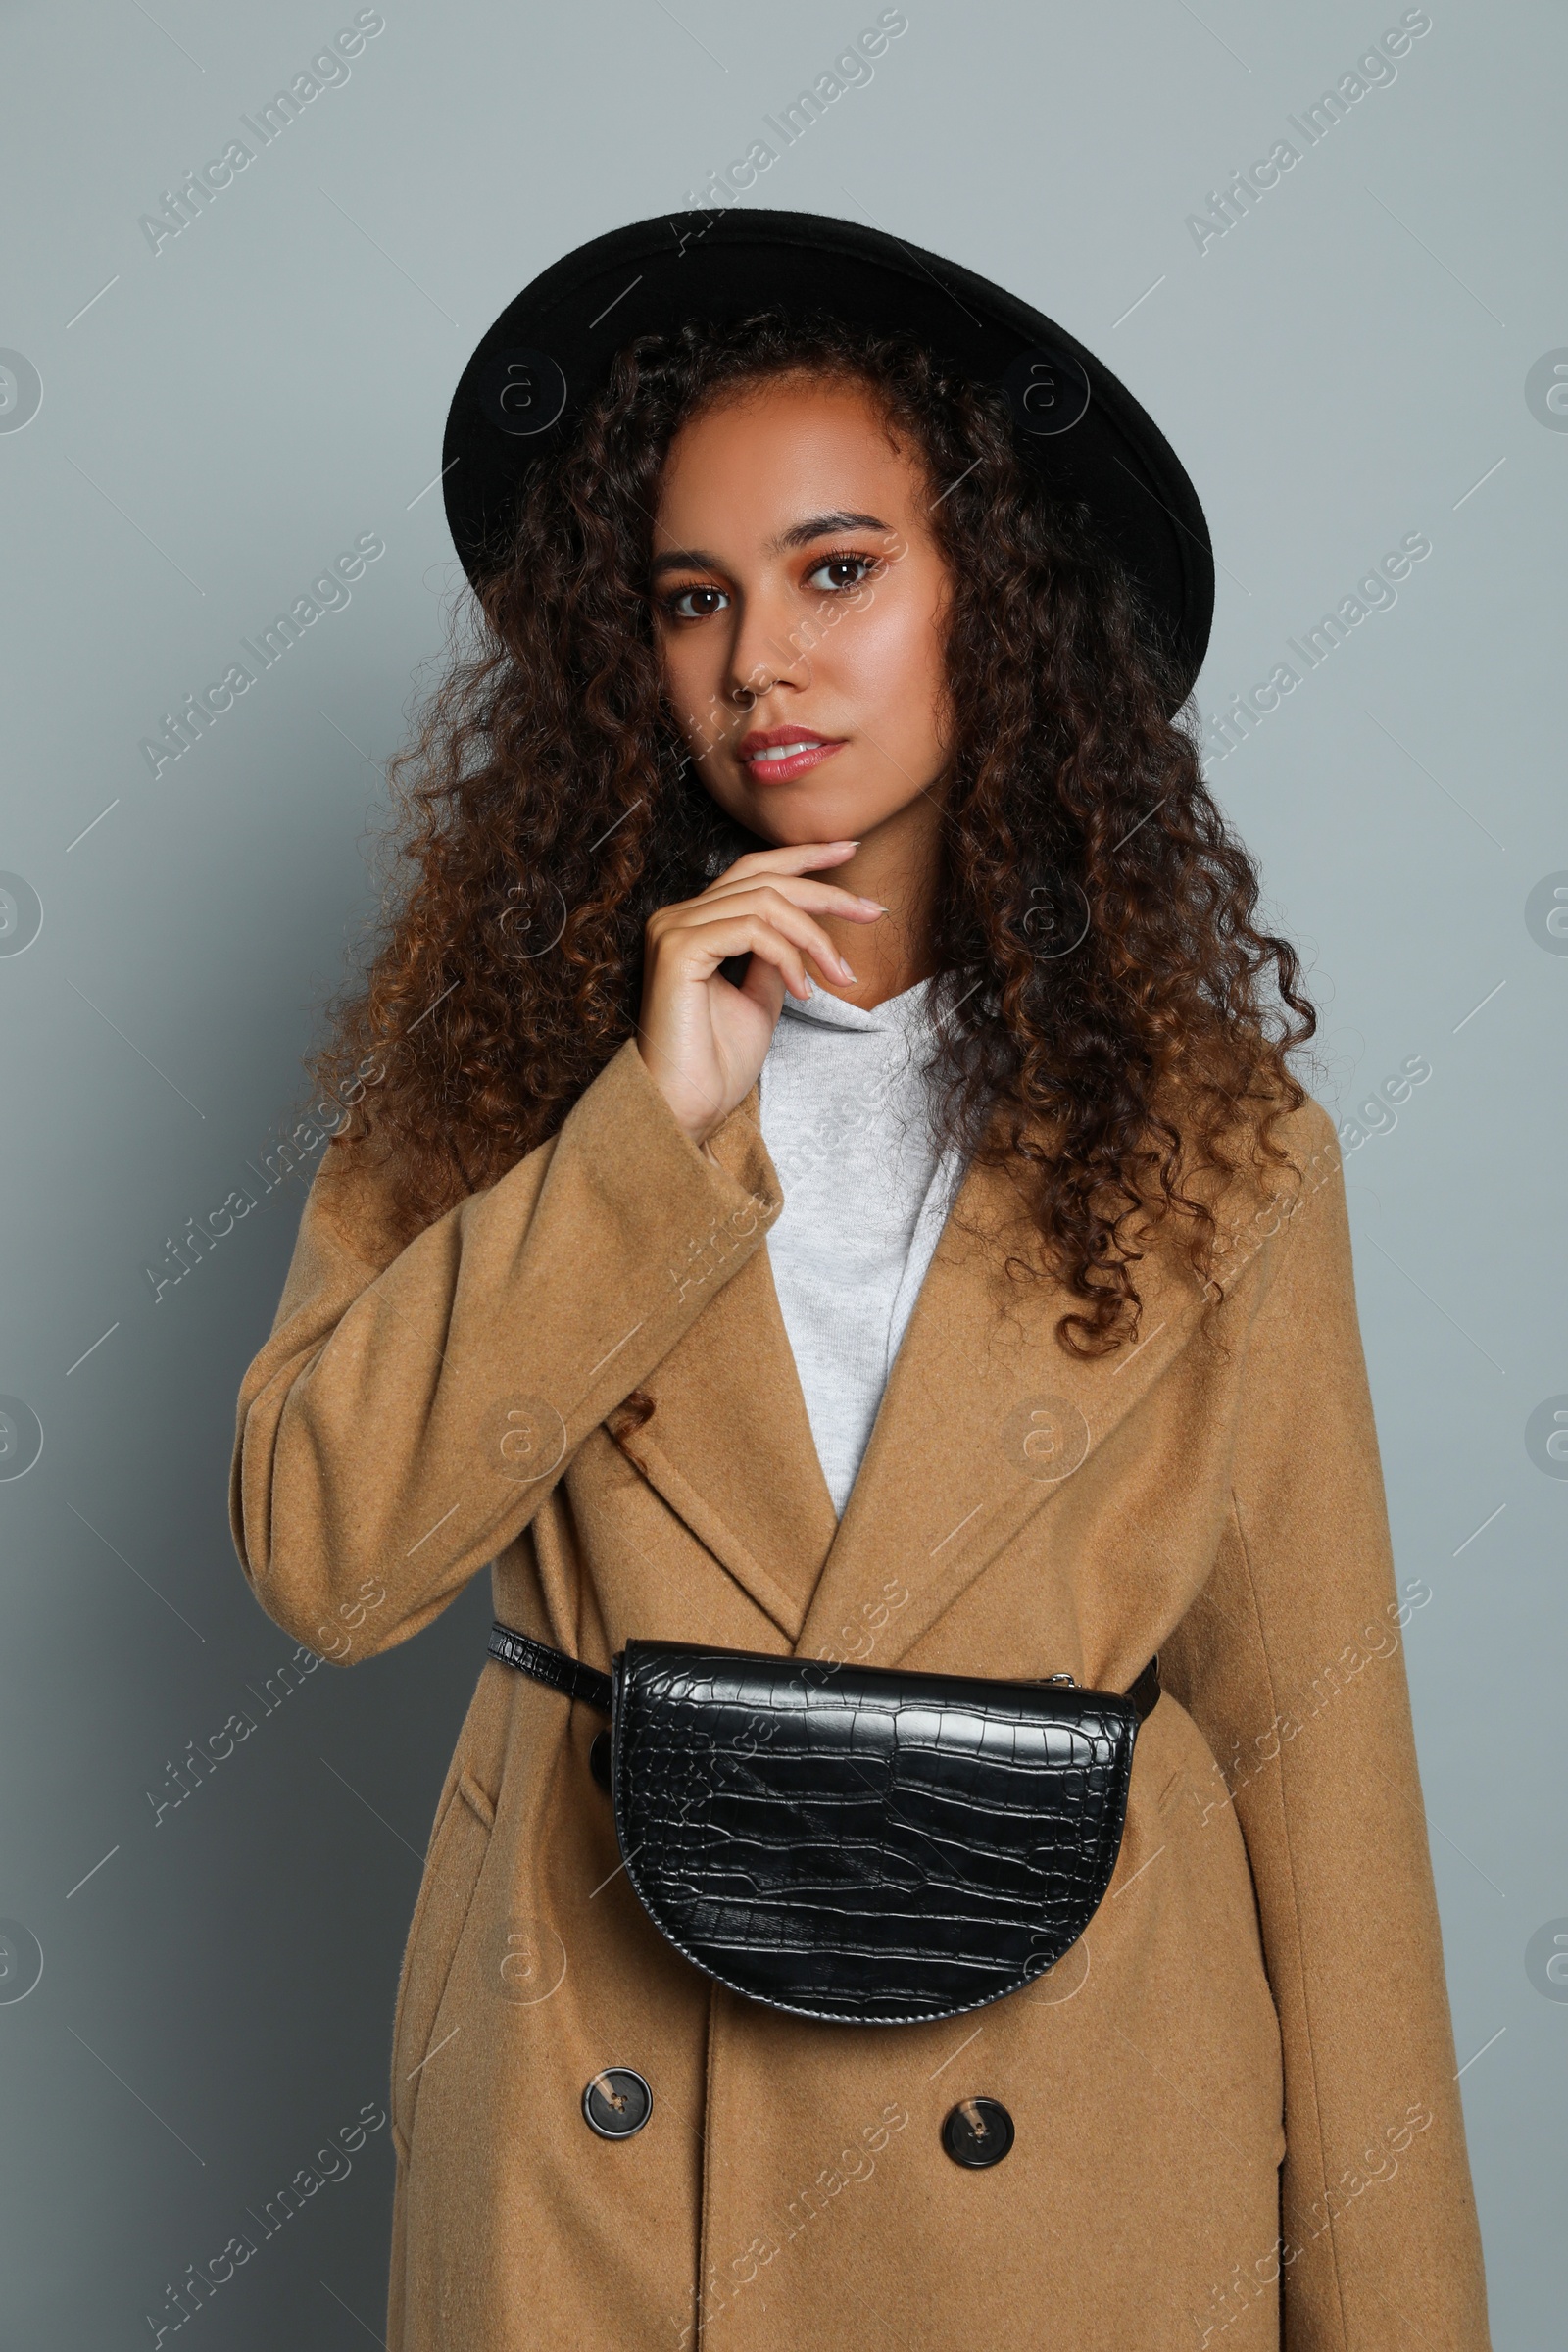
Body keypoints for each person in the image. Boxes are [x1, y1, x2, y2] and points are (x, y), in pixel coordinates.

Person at [229, 211, 1492, 2349]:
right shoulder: (511, 1072)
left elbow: (1322, 1780)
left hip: (1073, 2160)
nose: (756, 665)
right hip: (599, 2161)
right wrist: (646, 1128)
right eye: (689, 600)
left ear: (986, 605)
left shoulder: (1214, 1147)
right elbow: (325, 1562)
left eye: (837, 573)